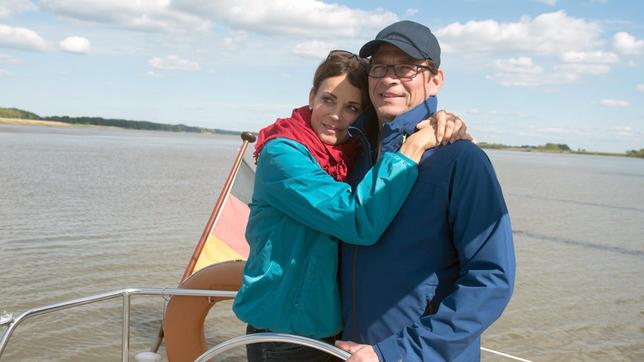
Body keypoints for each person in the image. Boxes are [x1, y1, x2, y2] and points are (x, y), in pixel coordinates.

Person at [232, 50, 470, 361]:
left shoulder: (351, 154)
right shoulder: (283, 155)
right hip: (283, 333)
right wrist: (414, 145)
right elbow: (357, 219)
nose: (336, 115)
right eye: (328, 100)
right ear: (312, 96)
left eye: (352, 107)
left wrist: (439, 119)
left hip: (332, 331)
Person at [335, 21, 516, 361]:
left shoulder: (462, 160)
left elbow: (492, 279)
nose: (390, 78)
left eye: (407, 67)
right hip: (352, 350)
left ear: (435, 81)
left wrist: (396, 352)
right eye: (380, 67)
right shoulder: (355, 155)